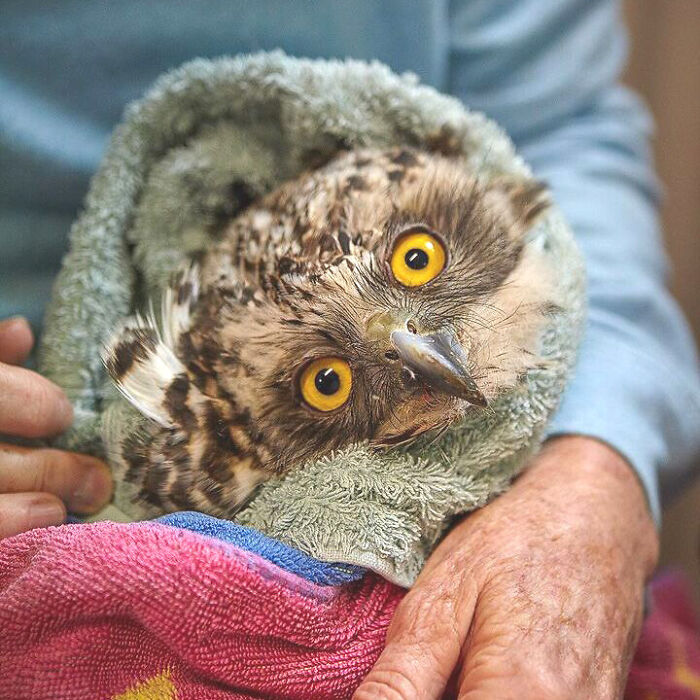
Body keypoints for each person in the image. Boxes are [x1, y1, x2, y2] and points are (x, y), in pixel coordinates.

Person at [1, 1, 699, 697]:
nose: (416, 349)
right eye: (326, 381)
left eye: (416, 260)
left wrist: (596, 465)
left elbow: (559, 130)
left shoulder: (468, 196)